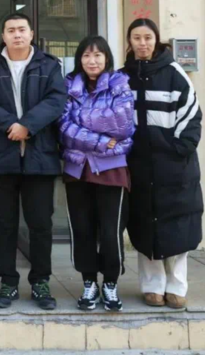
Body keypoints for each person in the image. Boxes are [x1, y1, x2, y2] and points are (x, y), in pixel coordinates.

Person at [0, 13, 66, 310]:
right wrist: (11, 125)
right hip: (1, 157)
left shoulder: (49, 65)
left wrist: (28, 125)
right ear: (3, 36)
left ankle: (41, 282)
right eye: (11, 30)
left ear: (31, 33)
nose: (17, 35)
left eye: (22, 29)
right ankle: (8, 282)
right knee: (4, 224)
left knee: (40, 224)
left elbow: (57, 100)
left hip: (40, 157)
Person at [122, 18, 203, 310]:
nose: (142, 43)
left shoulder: (174, 73)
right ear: (129, 41)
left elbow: (191, 116)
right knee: (145, 224)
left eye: (147, 37)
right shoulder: (122, 77)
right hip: (139, 165)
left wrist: (177, 150)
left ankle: (177, 287)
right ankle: (152, 287)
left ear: (156, 40)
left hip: (174, 166)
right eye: (136, 38)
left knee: (177, 225)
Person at [59, 36, 134, 312]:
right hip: (77, 169)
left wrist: (82, 121)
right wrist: (102, 138)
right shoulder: (68, 86)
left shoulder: (120, 83)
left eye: (98, 55)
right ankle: (89, 282)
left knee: (111, 231)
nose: (92, 61)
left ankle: (111, 283)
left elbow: (122, 125)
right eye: (86, 55)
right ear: (79, 59)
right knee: (82, 230)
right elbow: (63, 127)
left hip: (112, 170)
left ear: (107, 58)